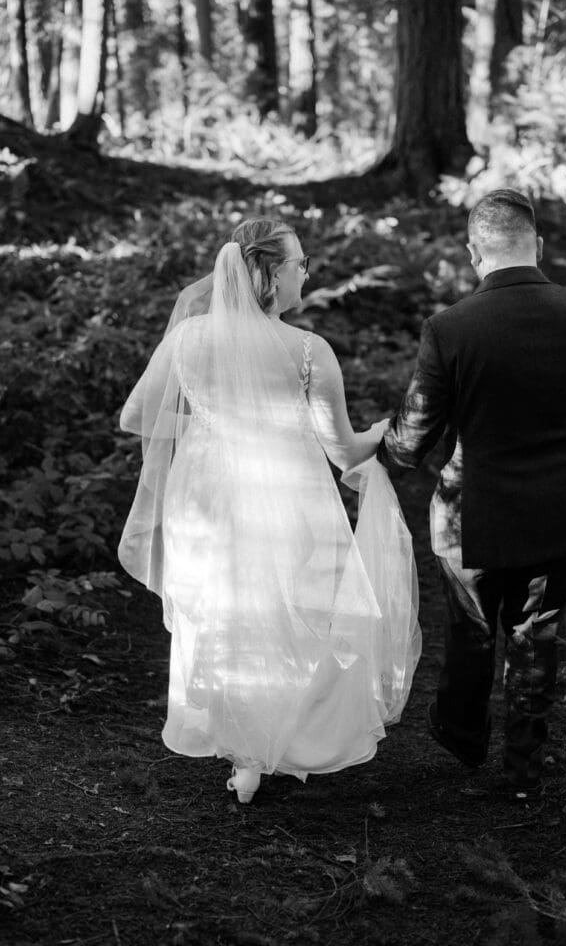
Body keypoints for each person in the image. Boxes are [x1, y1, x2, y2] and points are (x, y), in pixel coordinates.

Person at [118, 218, 420, 803]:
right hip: (287, 494)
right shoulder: (309, 350)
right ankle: (276, 742)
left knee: (223, 608)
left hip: (205, 495)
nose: (306, 273)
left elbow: (137, 418)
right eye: (299, 264)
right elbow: (342, 450)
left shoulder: (188, 338)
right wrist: (382, 432)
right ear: (270, 274)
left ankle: (242, 749)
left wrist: (214, 424)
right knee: (294, 613)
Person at [378, 189, 566, 794]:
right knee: (535, 633)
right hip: (558, 507)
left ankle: (464, 737)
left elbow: (415, 433)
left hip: (471, 513)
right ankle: (523, 768)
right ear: (538, 246)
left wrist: (384, 451)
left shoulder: (449, 328)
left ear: (474, 253)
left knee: (471, 629)